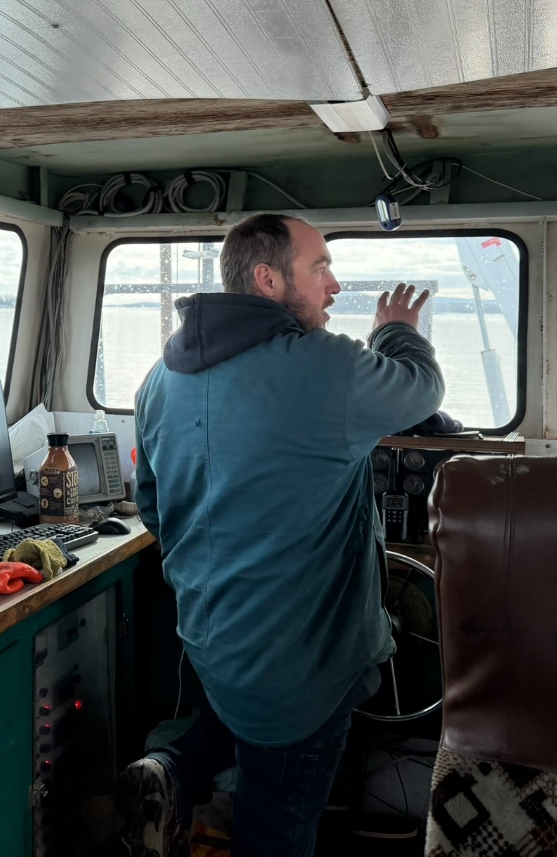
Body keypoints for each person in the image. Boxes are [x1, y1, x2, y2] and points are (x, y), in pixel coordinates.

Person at [120, 213, 445, 857]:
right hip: (304, 665)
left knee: (232, 715)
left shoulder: (158, 382)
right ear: (268, 280)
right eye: (320, 266)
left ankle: (174, 770)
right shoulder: (325, 366)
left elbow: (154, 510)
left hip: (212, 637)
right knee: (279, 829)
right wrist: (396, 332)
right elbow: (422, 389)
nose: (333, 284)